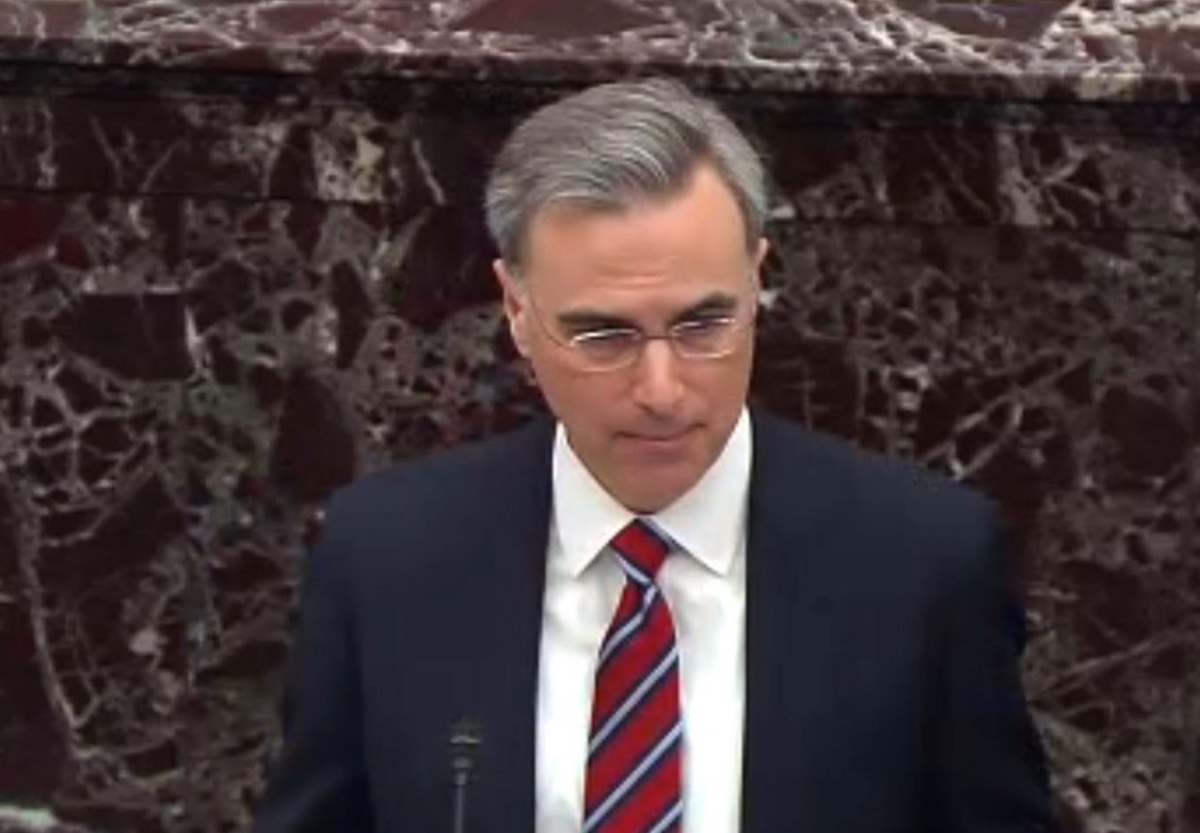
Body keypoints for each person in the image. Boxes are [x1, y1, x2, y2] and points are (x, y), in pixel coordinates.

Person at [253, 78, 1053, 833]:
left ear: (757, 282)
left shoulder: (924, 563)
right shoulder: (385, 558)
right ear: (517, 312)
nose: (663, 388)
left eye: (705, 325)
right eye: (605, 335)